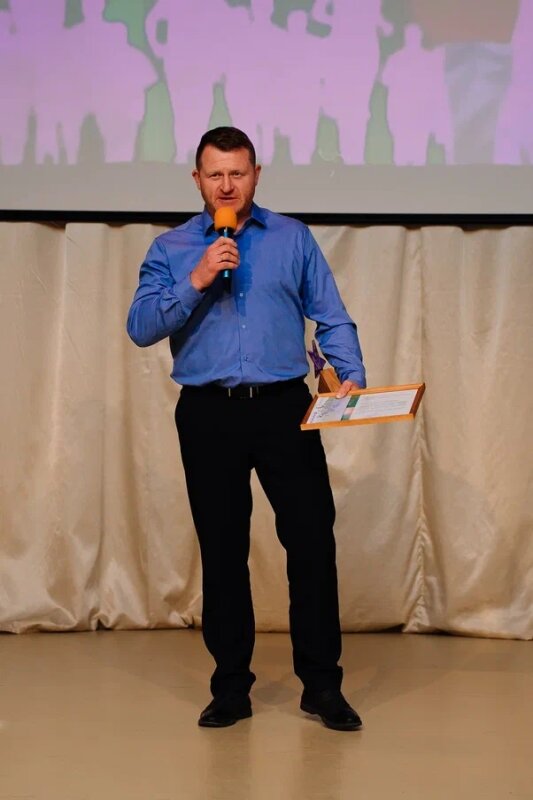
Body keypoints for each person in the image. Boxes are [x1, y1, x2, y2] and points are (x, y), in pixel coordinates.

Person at [127, 127, 366, 731]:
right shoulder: (172, 247)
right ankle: (231, 687)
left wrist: (350, 374)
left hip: (284, 408)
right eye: (216, 175)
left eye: (238, 173)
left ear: (257, 174)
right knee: (223, 549)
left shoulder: (292, 237)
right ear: (197, 180)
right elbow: (141, 326)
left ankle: (322, 686)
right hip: (208, 413)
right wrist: (198, 277)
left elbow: (331, 316)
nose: (227, 185)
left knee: (311, 543)